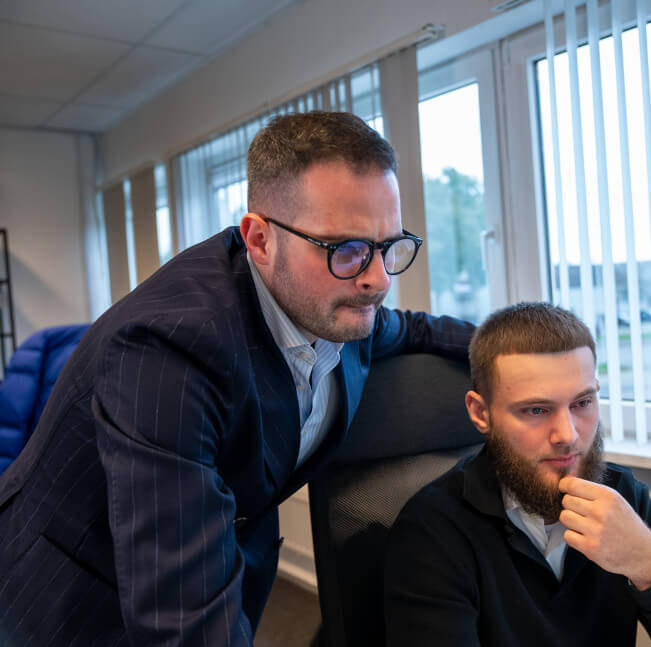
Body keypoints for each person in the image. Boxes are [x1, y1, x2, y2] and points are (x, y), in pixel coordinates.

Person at [0, 111, 474, 645]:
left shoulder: (340, 304)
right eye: (345, 249)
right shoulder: (167, 351)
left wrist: (520, 350)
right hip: (70, 598)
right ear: (260, 240)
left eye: (389, 247)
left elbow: (411, 328)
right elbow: (185, 620)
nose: (378, 279)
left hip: (223, 562)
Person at [383, 302, 651, 646]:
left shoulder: (620, 495)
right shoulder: (433, 532)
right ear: (481, 413)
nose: (568, 435)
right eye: (537, 410)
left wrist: (648, 561)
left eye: (582, 403)